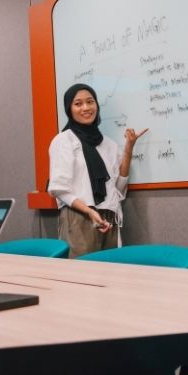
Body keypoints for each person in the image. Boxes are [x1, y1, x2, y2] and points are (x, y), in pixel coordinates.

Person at [47, 83, 147, 257]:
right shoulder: (64, 140)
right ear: (69, 109)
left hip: (109, 218)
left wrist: (129, 148)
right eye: (78, 103)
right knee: (80, 278)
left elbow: (119, 189)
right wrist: (89, 211)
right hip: (79, 217)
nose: (86, 108)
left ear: (97, 105)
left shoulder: (108, 144)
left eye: (90, 102)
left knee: (109, 276)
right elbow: (59, 188)